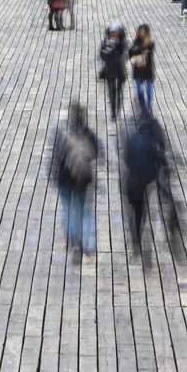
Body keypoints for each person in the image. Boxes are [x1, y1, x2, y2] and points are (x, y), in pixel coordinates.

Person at [121, 103, 170, 256]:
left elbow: (126, 159)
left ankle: (135, 238)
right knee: (141, 209)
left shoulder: (133, 138)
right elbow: (157, 159)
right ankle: (138, 233)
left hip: (132, 180)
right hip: (145, 179)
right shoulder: (150, 142)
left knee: (134, 208)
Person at [50, 103, 99, 258]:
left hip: (64, 179)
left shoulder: (61, 133)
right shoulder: (88, 134)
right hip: (83, 179)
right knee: (85, 211)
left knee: (67, 209)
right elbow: (96, 152)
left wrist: (52, 173)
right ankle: (88, 244)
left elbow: (55, 157)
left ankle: (74, 241)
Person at [98, 23, 128, 120]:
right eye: (112, 32)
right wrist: (108, 51)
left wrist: (114, 47)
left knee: (119, 92)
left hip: (119, 69)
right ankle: (113, 111)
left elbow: (123, 53)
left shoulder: (122, 42)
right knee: (111, 91)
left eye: (116, 32)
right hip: (110, 69)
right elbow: (102, 54)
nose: (114, 34)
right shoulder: (106, 42)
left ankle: (118, 109)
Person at [129, 23, 156, 110]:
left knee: (149, 92)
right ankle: (143, 108)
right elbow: (130, 53)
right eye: (140, 31)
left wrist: (138, 50)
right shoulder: (136, 42)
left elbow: (148, 56)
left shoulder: (151, 43)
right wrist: (140, 50)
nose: (142, 33)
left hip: (148, 70)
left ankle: (148, 108)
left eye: (143, 31)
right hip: (138, 70)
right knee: (140, 91)